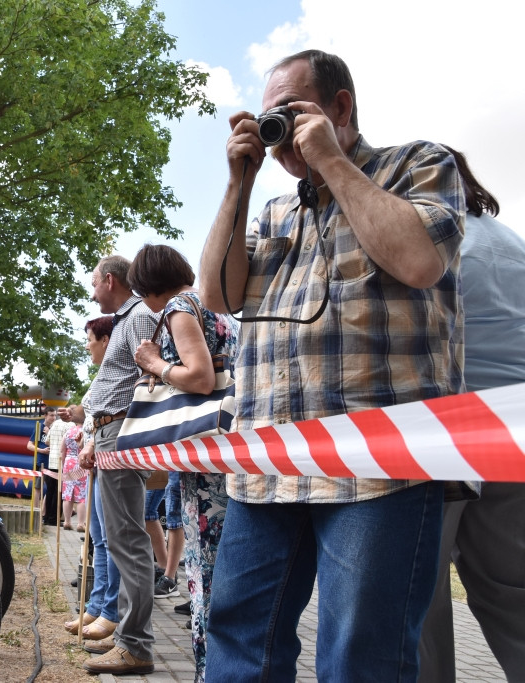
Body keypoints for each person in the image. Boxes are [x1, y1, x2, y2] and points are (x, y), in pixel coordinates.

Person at [196, 49, 465, 681]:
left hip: (381, 466)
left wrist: (331, 162)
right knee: (237, 644)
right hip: (267, 462)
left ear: (340, 106)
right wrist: (239, 180)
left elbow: (421, 263)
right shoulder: (272, 212)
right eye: (269, 118)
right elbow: (218, 294)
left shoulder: (418, 165)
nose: (280, 129)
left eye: (290, 111)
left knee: (358, 657)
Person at [417, 147, 525, 682]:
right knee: (513, 596)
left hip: (451, 432)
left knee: (421, 599)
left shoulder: (436, 244)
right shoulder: (513, 243)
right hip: (516, 432)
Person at [128, 244, 238, 682]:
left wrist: (154, 363)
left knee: (205, 572)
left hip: (203, 458)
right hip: (232, 449)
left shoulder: (178, 307)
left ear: (148, 289)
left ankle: (210, 671)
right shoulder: (219, 308)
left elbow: (199, 376)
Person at [77, 254, 159, 676]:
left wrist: (114, 434)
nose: (92, 292)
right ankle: (127, 634)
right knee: (121, 540)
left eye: (94, 283)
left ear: (110, 280)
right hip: (111, 434)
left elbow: (150, 381)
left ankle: (135, 643)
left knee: (126, 541)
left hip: (122, 436)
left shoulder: (140, 315)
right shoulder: (130, 318)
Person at [64, 315, 121, 643]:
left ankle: (109, 610)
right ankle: (98, 604)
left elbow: (108, 415)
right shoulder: (103, 373)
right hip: (96, 460)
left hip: (108, 457)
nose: (87, 345)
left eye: (90, 339)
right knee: (99, 540)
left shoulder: (116, 371)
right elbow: (94, 415)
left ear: (105, 340)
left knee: (111, 541)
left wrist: (92, 441)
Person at [27, 407, 60, 525]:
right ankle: (36, 513)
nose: (53, 417)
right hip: (41, 461)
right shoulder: (39, 427)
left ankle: (44, 513)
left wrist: (50, 434)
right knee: (38, 487)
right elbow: (29, 445)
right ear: (45, 415)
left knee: (51, 489)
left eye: (55, 415)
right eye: (51, 415)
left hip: (53, 463)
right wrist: (41, 450)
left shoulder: (56, 428)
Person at [60, 404, 87, 532]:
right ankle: (81, 523)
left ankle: (67, 521)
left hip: (68, 462)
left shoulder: (69, 432)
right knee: (81, 495)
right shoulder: (86, 431)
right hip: (81, 462)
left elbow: (62, 450)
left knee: (67, 494)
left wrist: (62, 465)